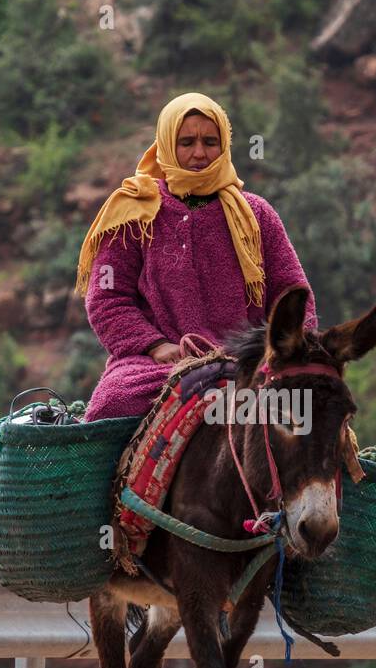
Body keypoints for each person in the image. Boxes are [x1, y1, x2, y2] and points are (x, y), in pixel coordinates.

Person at [75, 91, 317, 421]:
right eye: (186, 142)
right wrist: (154, 345)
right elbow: (107, 298)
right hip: (156, 367)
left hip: (247, 365)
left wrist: (282, 354)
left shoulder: (257, 215)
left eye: (210, 141)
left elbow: (292, 295)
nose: (199, 153)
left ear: (224, 146)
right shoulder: (134, 213)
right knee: (114, 402)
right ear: (166, 145)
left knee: (312, 412)